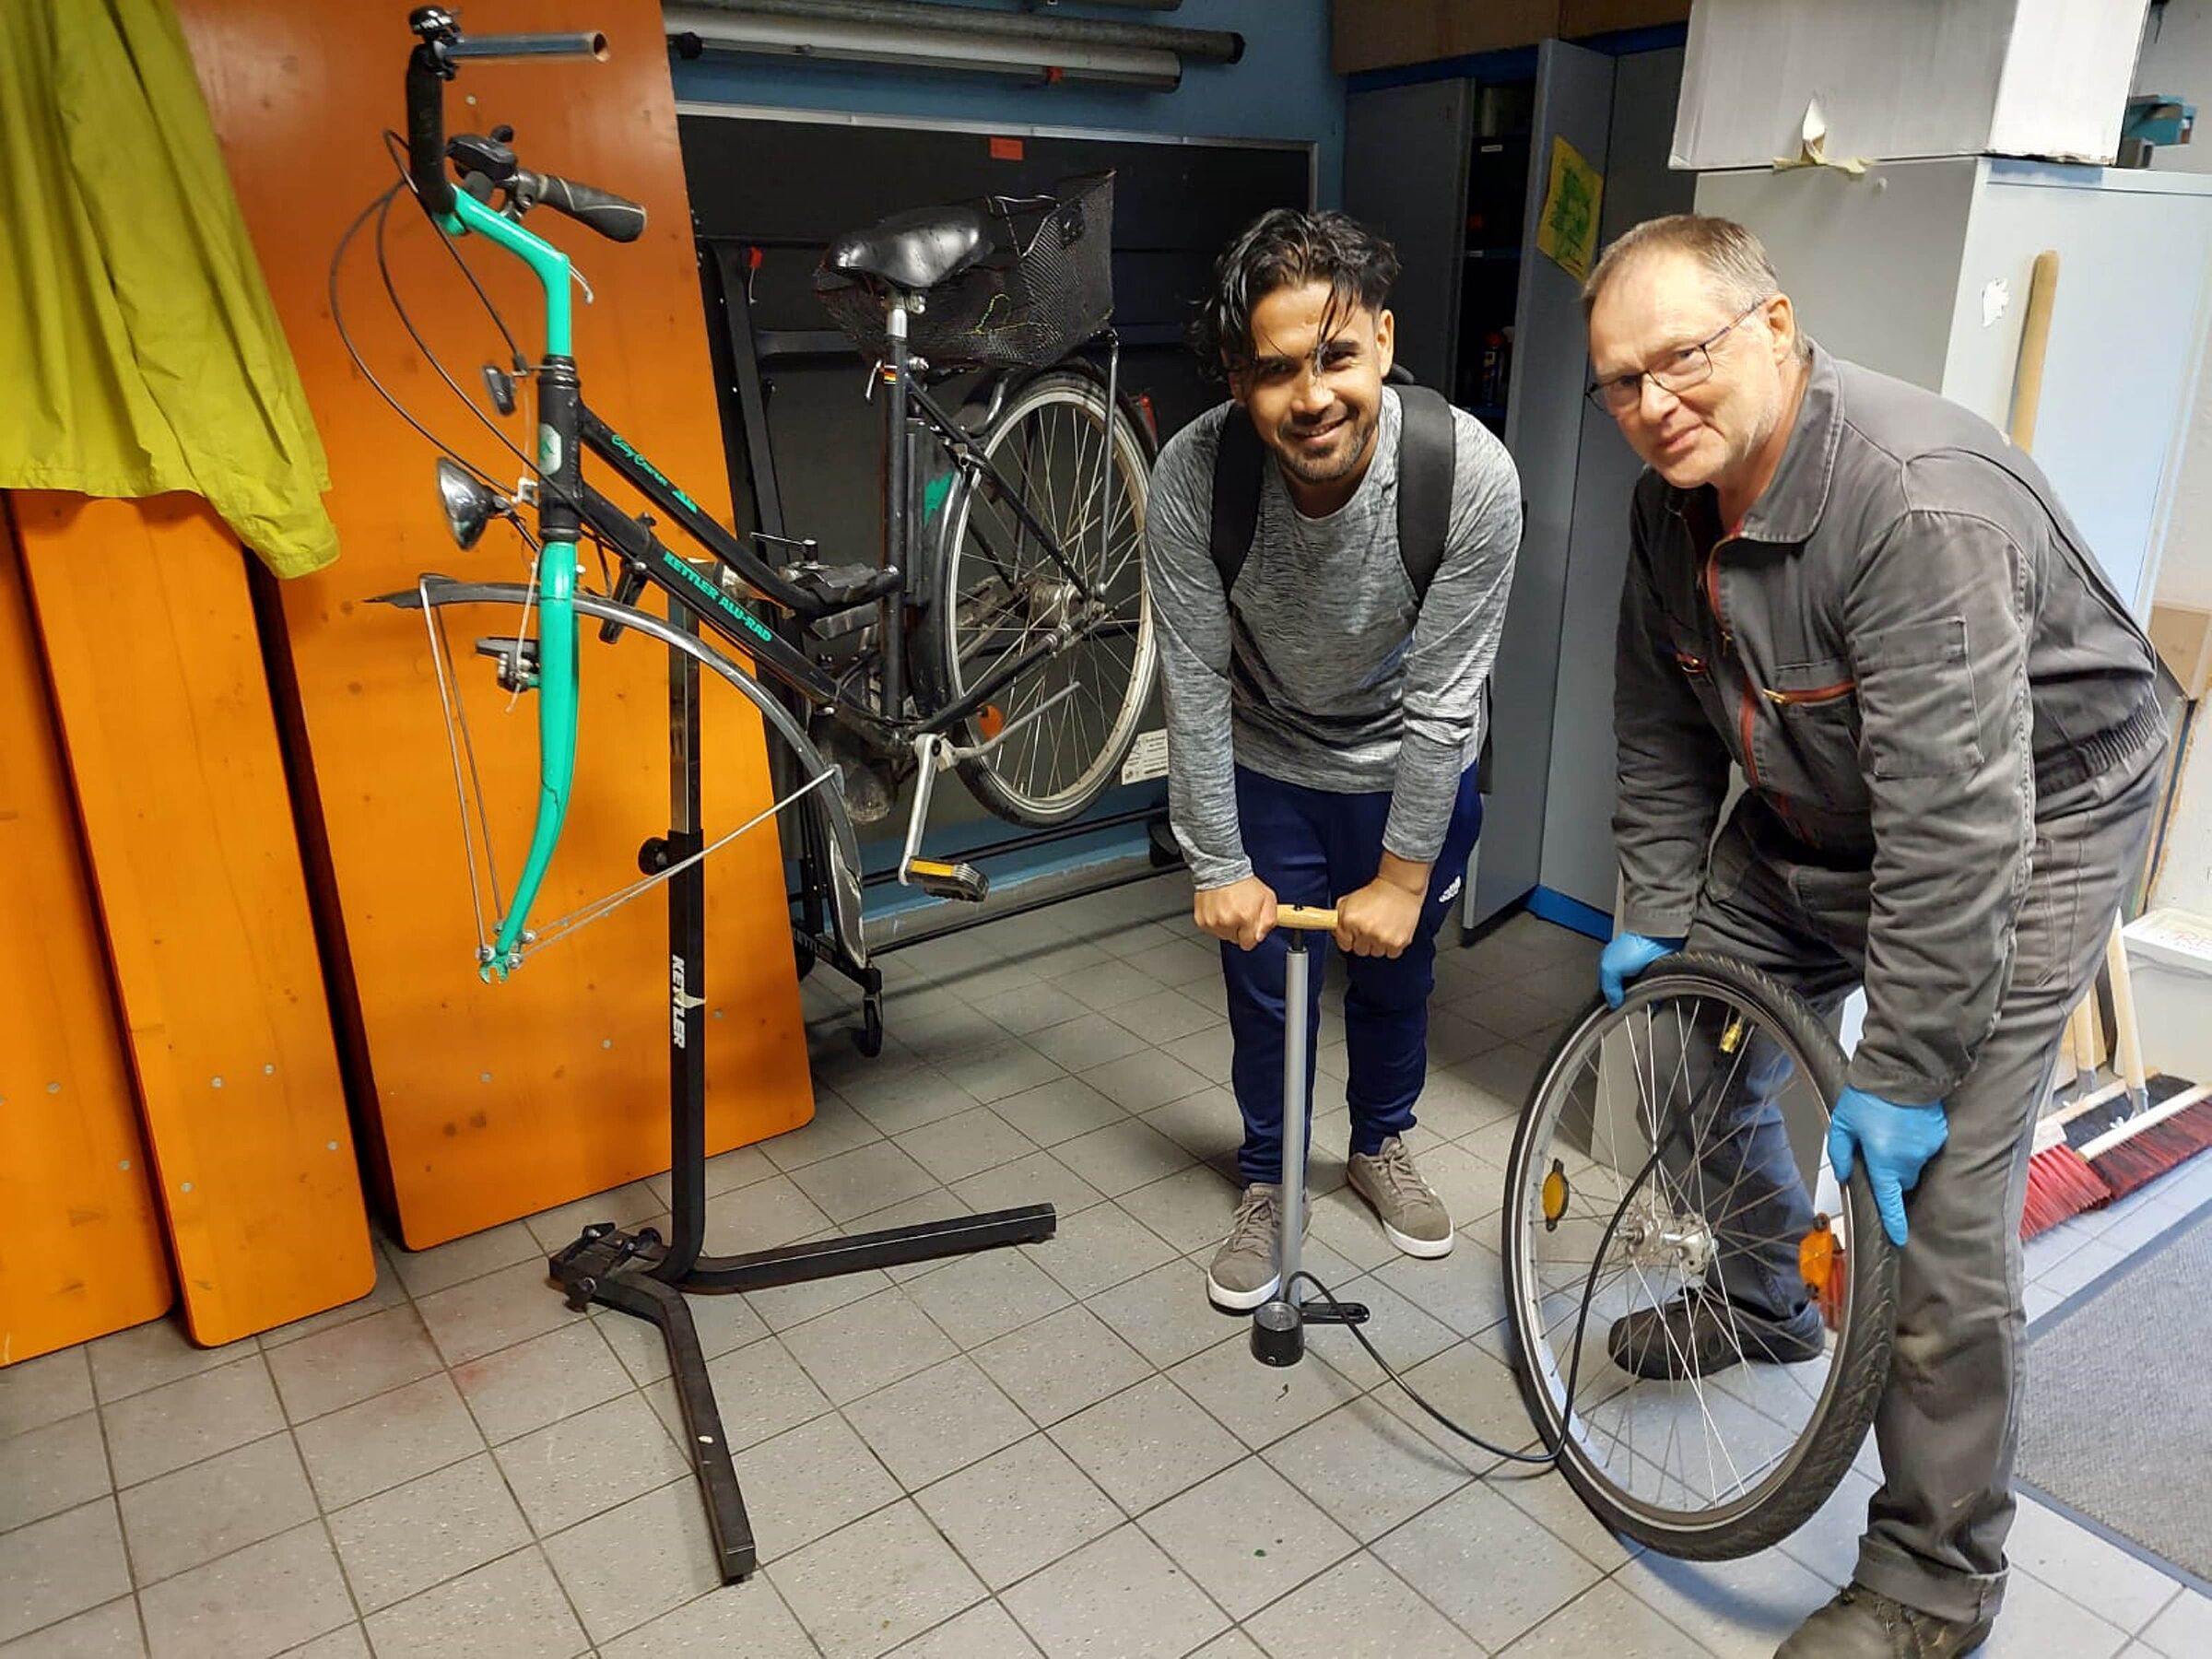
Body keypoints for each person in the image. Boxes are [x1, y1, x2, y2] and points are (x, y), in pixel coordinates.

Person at [1583, 213, 2167, 1657]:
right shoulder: (1671, 509)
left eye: (1684, 359)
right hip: (1816, 799)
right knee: (1679, 1040)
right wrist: (1659, 917)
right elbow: (1658, 734)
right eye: (1622, 382)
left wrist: (1900, 1074)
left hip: (2036, 816)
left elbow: (1961, 834)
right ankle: (1763, 1297)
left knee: (1942, 1205)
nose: (1654, 404)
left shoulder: (1916, 506)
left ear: (1774, 327)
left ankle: (1931, 1582)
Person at [1141, 207, 1523, 1312]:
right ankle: (1268, 1177)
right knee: (1265, 991)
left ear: (1384, 344)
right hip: (1269, 760)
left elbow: (1450, 697)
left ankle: (1379, 1146)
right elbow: (1195, 683)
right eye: (1274, 371)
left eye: (1336, 358)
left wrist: (1404, 880)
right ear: (1236, 377)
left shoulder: (1467, 475)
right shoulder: (1195, 476)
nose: (1311, 398)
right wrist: (1216, 862)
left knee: (1400, 977)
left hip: (1415, 753)